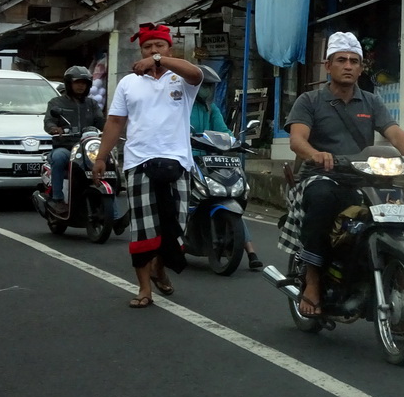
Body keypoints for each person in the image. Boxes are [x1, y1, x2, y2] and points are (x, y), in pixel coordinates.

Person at [278, 32, 404, 323]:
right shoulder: (310, 100)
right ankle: (312, 282)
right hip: (323, 176)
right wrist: (315, 154)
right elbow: (297, 139)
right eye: (341, 60)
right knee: (321, 199)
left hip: (364, 179)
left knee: (398, 215)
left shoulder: (371, 102)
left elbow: (394, 133)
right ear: (328, 66)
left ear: (361, 68)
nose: (348, 66)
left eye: (354, 61)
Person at [92, 23, 204, 308]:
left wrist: (157, 61)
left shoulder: (181, 79)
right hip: (139, 161)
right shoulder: (128, 83)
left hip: (177, 161)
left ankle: (160, 268)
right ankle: (144, 289)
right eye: (147, 47)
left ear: (169, 48)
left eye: (159, 46)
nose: (153, 50)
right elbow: (115, 121)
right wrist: (102, 157)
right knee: (143, 229)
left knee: (174, 227)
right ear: (139, 49)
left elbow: (197, 73)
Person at [190, 64, 263, 271]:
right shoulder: (183, 105)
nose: (208, 90)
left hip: (210, 162)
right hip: (188, 160)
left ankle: (250, 250)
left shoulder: (211, 109)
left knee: (229, 199)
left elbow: (223, 132)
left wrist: (234, 142)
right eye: (205, 85)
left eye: (211, 86)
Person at [43, 66, 105, 215]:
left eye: (84, 83)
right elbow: (48, 122)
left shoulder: (92, 104)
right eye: (77, 82)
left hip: (87, 147)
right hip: (65, 146)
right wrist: (54, 128)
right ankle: (57, 199)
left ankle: (113, 214)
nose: (80, 86)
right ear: (69, 83)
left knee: (108, 160)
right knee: (58, 157)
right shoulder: (56, 102)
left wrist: (109, 130)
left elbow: (101, 122)